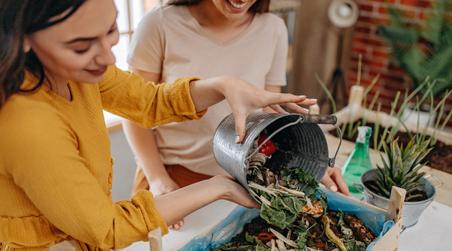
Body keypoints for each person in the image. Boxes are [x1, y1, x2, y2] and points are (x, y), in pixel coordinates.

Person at [0, 0, 315, 250]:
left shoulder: (75, 73)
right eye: (82, 47)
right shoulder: (27, 125)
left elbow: (148, 102)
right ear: (22, 37)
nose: (108, 58)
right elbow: (107, 228)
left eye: (111, 31)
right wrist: (218, 186)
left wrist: (223, 85)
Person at [125, 0, 349, 229]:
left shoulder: (273, 29)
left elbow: (268, 114)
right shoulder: (160, 23)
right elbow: (134, 111)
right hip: (174, 178)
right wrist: (158, 179)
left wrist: (306, 161)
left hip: (242, 179)